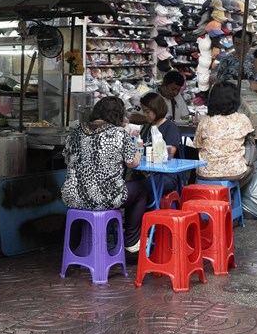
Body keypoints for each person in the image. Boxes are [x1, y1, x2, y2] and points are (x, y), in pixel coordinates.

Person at [61, 96, 145, 253]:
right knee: (139, 189)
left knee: (82, 197)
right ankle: (132, 241)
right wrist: (137, 154)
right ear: (118, 115)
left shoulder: (76, 131)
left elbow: (66, 158)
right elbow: (133, 163)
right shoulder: (119, 133)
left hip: (71, 195)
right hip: (104, 197)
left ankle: (75, 247)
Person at [194, 82, 255, 187]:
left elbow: (199, 147)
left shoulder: (204, 121)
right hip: (235, 172)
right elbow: (251, 144)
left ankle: (224, 193)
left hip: (205, 174)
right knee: (252, 167)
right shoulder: (242, 119)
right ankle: (232, 193)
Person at [139, 92, 182, 203]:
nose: (145, 115)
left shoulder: (170, 127)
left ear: (156, 109)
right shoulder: (146, 127)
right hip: (145, 173)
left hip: (165, 175)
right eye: (144, 111)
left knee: (139, 187)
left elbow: (169, 154)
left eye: (147, 111)